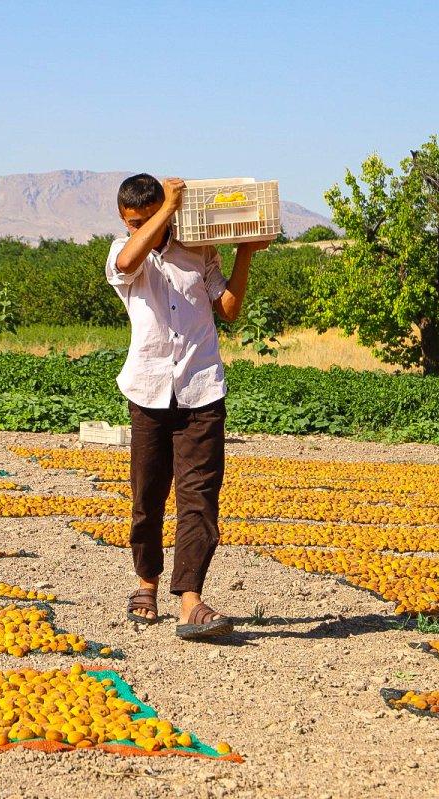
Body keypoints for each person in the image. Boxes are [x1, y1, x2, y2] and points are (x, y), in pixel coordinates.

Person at [105, 173, 268, 640]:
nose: (142, 228)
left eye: (149, 217)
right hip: (149, 391)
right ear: (124, 219)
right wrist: (162, 215)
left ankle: (191, 599)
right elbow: (131, 257)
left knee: (199, 498)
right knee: (147, 496)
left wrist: (245, 254)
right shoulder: (124, 253)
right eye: (133, 221)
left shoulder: (199, 251)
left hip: (201, 388)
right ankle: (145, 583)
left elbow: (230, 309)